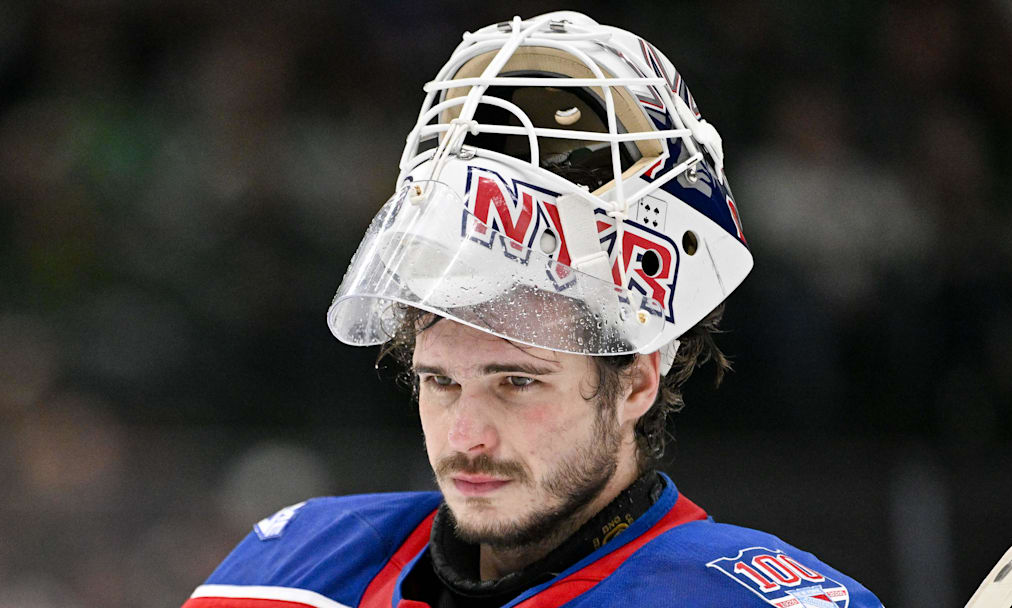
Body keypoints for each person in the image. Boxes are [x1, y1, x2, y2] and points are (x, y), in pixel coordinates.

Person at [183, 11, 883, 608]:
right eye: (440, 382)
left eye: (516, 381)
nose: (467, 437)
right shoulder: (292, 571)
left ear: (637, 380)